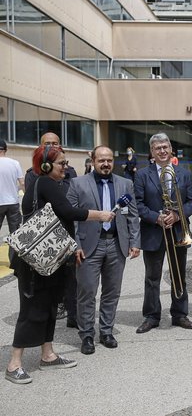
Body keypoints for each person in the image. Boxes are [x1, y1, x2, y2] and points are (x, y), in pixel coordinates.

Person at [5, 145, 114, 385]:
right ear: (45, 166)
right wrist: (100, 215)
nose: (66, 167)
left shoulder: (52, 184)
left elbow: (61, 220)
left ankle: (48, 355)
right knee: (31, 309)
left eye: (65, 163)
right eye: (61, 163)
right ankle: (14, 364)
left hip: (51, 259)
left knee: (50, 306)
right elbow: (67, 211)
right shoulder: (44, 182)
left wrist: (73, 246)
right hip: (35, 263)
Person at [67, 146, 141, 354]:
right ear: (92, 160)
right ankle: (87, 335)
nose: (106, 164)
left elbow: (131, 215)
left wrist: (135, 242)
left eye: (109, 160)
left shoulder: (125, 184)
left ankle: (106, 331)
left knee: (112, 292)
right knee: (87, 292)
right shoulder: (77, 184)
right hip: (89, 246)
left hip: (117, 244)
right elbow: (70, 218)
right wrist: (76, 246)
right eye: (101, 160)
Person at [134, 133, 192, 334]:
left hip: (178, 231)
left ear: (171, 149)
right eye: (157, 148)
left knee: (179, 276)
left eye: (165, 147)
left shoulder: (184, 174)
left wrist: (178, 215)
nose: (162, 151)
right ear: (152, 152)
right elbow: (138, 204)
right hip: (154, 231)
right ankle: (152, 316)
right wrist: (156, 217)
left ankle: (179, 314)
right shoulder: (142, 175)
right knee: (152, 277)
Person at [24, 132, 78, 327]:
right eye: (48, 144)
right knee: (47, 286)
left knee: (71, 279)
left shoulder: (69, 171)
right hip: (47, 237)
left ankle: (73, 314)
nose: (52, 146)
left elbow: (73, 197)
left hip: (66, 233)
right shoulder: (36, 175)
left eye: (55, 143)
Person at [0, 139, 24, 235]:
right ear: (6, 150)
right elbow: (22, 183)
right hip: (13, 203)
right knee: (15, 233)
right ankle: (13, 251)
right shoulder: (15, 163)